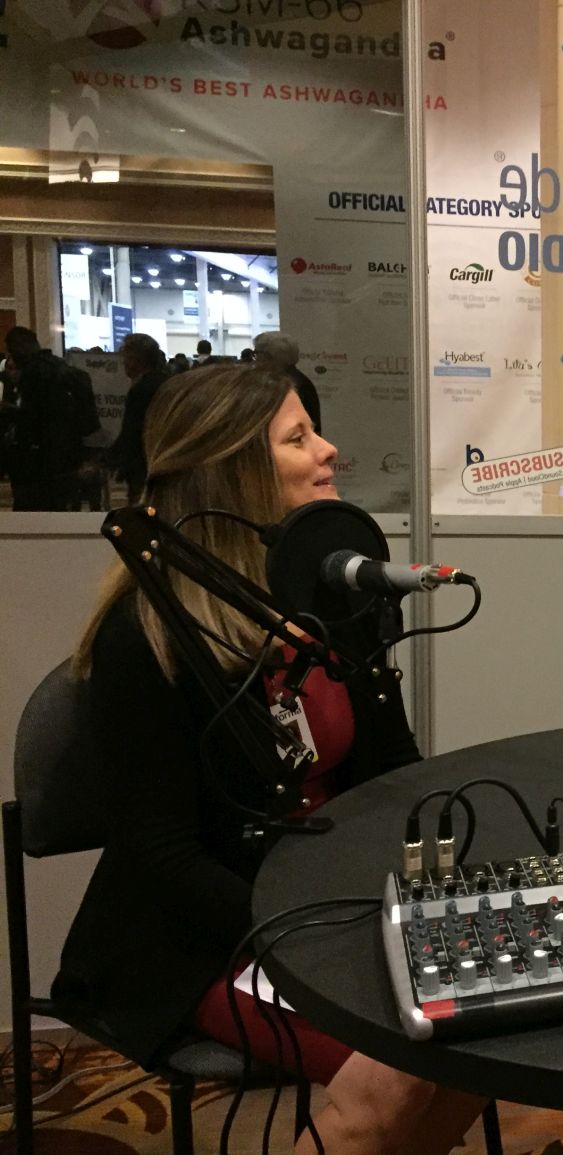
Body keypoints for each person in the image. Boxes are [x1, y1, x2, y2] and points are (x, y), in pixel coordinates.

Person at [56, 365, 487, 1155]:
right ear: (234, 470)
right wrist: (314, 930)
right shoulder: (145, 638)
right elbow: (163, 856)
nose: (328, 450)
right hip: (204, 937)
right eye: (298, 437)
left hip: (324, 911)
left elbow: (393, 768)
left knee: (482, 1021)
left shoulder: (327, 599)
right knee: (391, 1073)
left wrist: (434, 883)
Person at [1, 326, 84, 510]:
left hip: (39, 458)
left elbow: (31, 417)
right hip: (63, 455)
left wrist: (11, 413)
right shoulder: (60, 366)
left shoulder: (34, 371)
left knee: (30, 510)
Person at [106, 332, 169, 504]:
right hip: (164, 459)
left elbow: (132, 431)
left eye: (126, 358)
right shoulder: (167, 383)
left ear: (136, 360)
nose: (124, 364)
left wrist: (107, 460)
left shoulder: (141, 390)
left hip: (143, 463)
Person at [253, 330, 322, 433]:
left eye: (256, 353)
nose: (255, 360)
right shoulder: (296, 381)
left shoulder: (288, 385)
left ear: (270, 356)